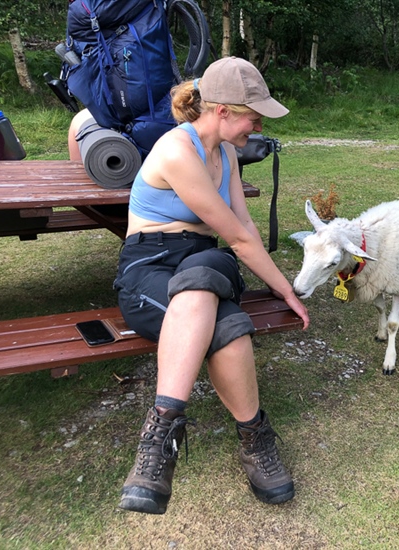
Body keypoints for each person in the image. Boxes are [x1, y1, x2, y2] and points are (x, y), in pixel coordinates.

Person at [112, 56, 310, 515]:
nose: (256, 127)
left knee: (203, 273)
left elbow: (243, 229)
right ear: (222, 110)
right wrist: (284, 289)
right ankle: (250, 436)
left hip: (204, 259)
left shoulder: (226, 155)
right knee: (230, 327)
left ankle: (159, 441)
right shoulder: (177, 150)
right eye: (253, 117)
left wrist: (283, 289)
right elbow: (239, 236)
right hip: (151, 267)